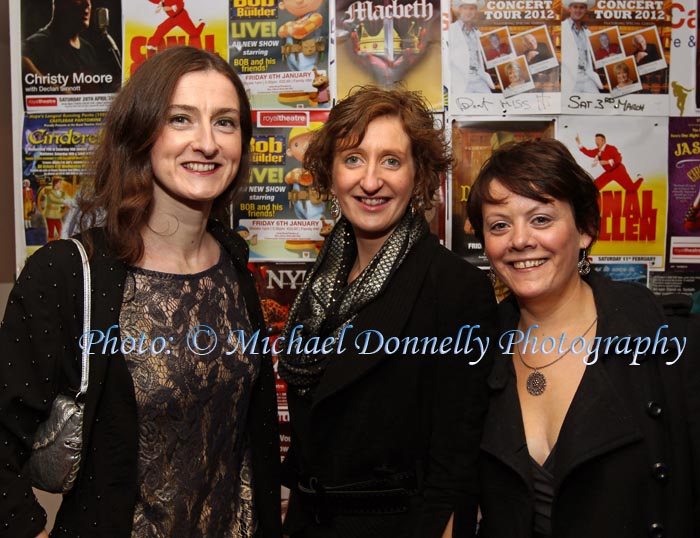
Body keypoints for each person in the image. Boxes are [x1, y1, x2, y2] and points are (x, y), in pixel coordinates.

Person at [0, 46, 281, 538]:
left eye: (226, 122)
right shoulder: (67, 273)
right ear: (141, 131)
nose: (207, 143)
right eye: (181, 119)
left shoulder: (233, 266)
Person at [277, 86, 497, 537]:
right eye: (353, 158)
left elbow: (457, 460)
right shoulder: (321, 282)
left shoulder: (456, 288)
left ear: (418, 177)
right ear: (329, 172)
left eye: (391, 161)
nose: (371, 180)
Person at [467, 138, 700, 538]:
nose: (519, 240)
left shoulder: (669, 345)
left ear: (586, 230)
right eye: (500, 225)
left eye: (541, 219)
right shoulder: (477, 351)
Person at [21, 0, 118, 93]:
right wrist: (61, 94)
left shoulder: (88, 49)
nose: (87, 4)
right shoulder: (39, 43)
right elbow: (20, 61)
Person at [449, 0, 495, 94]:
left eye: (472, 9)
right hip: (460, 80)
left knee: (490, 105)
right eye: (465, 8)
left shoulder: (478, 33)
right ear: (460, 10)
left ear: (475, 11)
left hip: (479, 78)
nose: (468, 12)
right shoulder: (450, 30)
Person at [576, 132, 643, 191]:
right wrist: (579, 143)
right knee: (595, 187)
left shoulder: (611, 148)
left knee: (631, 189)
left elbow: (619, 159)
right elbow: (588, 153)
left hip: (618, 171)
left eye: (598, 140)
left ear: (604, 141)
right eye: (596, 140)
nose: (596, 142)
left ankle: (640, 178)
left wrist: (607, 162)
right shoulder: (597, 151)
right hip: (608, 173)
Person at [561, 0, 603, 93]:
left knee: (596, 103)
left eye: (581, 7)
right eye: (575, 7)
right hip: (571, 77)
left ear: (585, 10)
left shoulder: (587, 32)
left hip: (587, 76)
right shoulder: (562, 28)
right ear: (569, 8)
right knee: (570, 105)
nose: (578, 10)